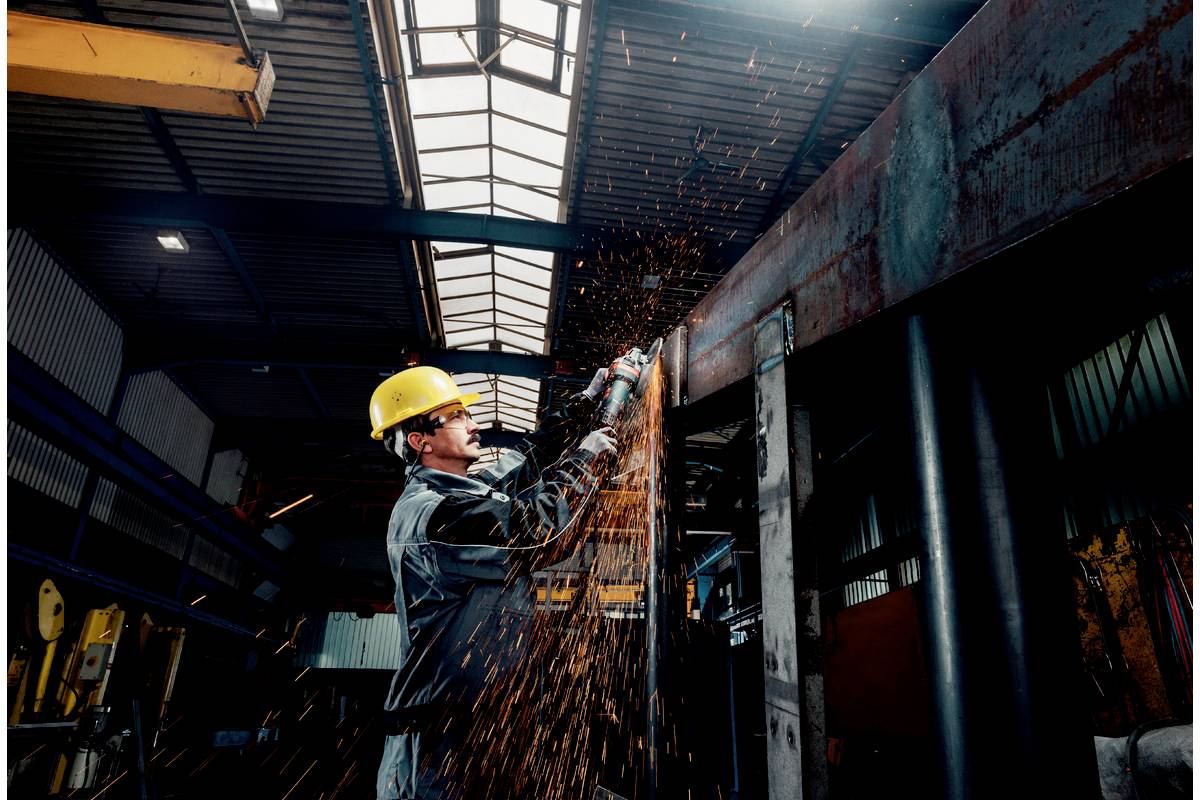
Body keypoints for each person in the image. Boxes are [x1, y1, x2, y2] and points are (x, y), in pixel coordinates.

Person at [368, 365, 617, 800]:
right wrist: (584, 461)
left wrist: (585, 403)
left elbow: (525, 462)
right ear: (419, 440)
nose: (474, 423)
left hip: (470, 732)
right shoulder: (430, 517)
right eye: (458, 416)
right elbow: (533, 535)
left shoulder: (464, 495)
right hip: (435, 752)